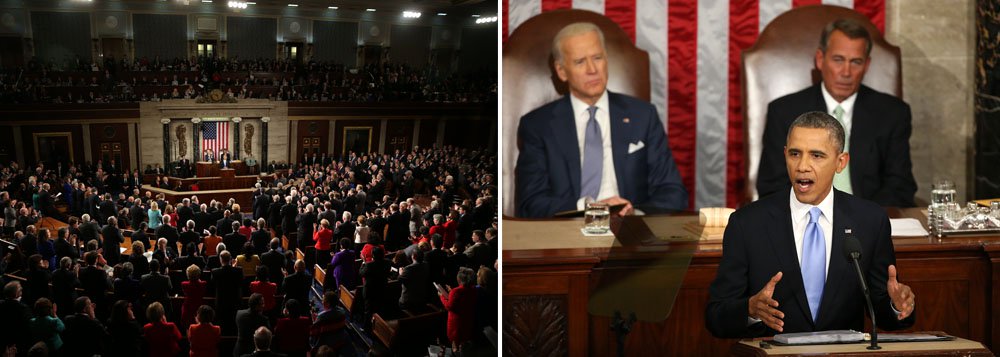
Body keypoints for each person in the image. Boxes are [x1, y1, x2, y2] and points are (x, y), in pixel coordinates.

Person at [705, 112, 916, 337]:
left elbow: (882, 313)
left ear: (840, 162)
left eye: (816, 155)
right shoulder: (747, 223)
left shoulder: (870, 221)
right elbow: (716, 317)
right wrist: (750, 310)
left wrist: (897, 306)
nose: (802, 166)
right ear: (785, 154)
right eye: (795, 154)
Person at [514, 22, 687, 218]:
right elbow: (530, 203)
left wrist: (636, 215)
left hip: (629, 233)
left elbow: (672, 192)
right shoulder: (538, 125)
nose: (592, 69)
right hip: (568, 233)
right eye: (580, 62)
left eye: (597, 58)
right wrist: (589, 207)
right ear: (562, 71)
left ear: (606, 60)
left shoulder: (643, 115)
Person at [756, 19, 917, 207]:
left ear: (866, 66)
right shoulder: (784, 111)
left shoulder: (892, 113)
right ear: (820, 59)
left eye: (856, 62)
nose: (846, 72)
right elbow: (772, 187)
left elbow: (900, 186)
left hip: (867, 222)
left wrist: (863, 218)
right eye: (838, 60)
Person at [439, 267, 478, 352]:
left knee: (455, 344)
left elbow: (449, 306)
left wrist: (441, 296)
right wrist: (451, 291)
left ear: (460, 279)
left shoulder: (456, 291)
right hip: (468, 318)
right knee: (464, 341)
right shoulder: (473, 289)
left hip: (456, 321)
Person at [181, 264, 207, 330]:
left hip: (188, 307)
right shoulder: (203, 284)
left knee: (188, 327)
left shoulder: (184, 284)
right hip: (199, 306)